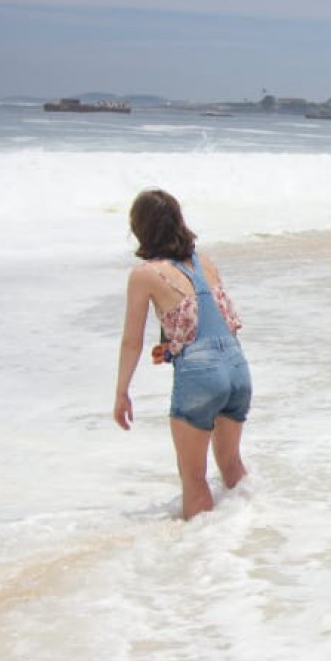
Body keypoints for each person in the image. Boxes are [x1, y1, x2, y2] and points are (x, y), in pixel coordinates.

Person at [114, 188, 251, 521]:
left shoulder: (144, 275)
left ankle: (200, 559)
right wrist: (171, 346)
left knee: (194, 480)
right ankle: (251, 533)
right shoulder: (204, 262)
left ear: (141, 229)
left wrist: (121, 393)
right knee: (232, 466)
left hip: (201, 377)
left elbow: (131, 341)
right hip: (237, 369)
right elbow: (210, 319)